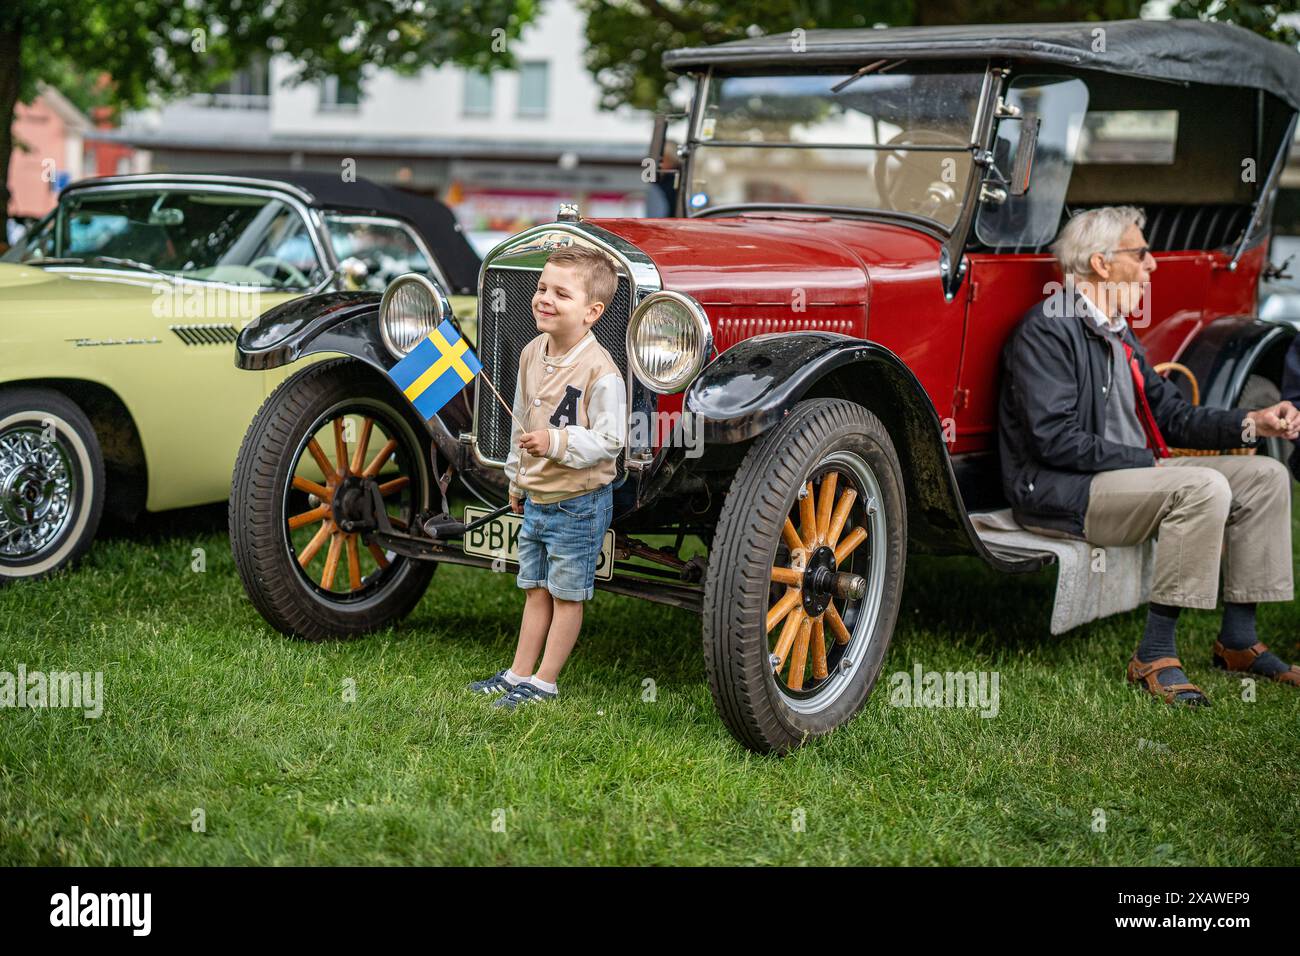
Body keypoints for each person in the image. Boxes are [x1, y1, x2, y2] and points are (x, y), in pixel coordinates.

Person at [999, 206, 1300, 705]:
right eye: (1140, 253)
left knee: (1265, 475)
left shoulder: (1117, 332)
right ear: (1100, 264)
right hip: (1062, 488)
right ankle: (1154, 653)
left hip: (1125, 472)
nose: (1152, 264)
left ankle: (1239, 641)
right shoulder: (1048, 331)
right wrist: (1145, 461)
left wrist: (1255, 422)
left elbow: (1174, 416)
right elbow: (1053, 440)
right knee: (1202, 486)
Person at [468, 244, 627, 710]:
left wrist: (555, 443)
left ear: (592, 312)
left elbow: (611, 441)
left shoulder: (601, 371)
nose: (544, 298)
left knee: (566, 595)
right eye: (541, 288)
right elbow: (521, 420)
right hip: (538, 498)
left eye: (561, 293)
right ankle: (518, 672)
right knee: (535, 589)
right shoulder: (531, 352)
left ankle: (545, 682)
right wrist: (517, 480)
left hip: (579, 502)